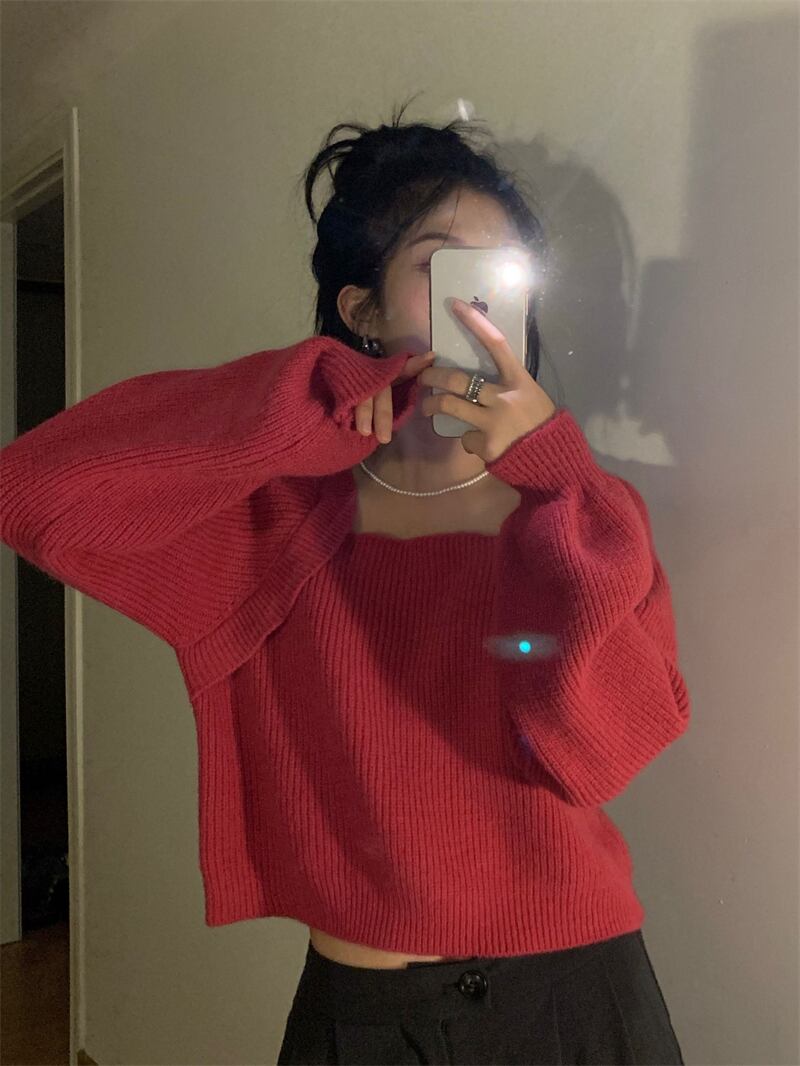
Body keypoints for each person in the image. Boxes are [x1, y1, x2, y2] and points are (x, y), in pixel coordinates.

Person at [0, 95, 690, 1065]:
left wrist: (554, 473)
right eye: (443, 266)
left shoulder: (579, 513)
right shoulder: (277, 517)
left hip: (575, 995)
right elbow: (35, 494)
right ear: (360, 310)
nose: (481, 306)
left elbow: (602, 753)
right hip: (364, 1012)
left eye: (502, 272)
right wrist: (305, 395)